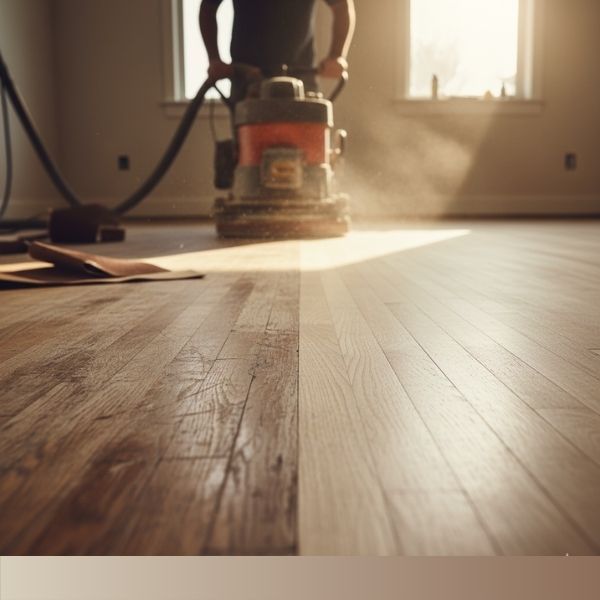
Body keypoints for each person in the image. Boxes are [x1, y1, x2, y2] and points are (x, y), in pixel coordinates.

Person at [200, 0, 355, 101]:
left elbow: (341, 6)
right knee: (250, 146)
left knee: (307, 144)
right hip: (247, 80)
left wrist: (336, 56)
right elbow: (208, 8)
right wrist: (214, 59)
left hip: (302, 78)